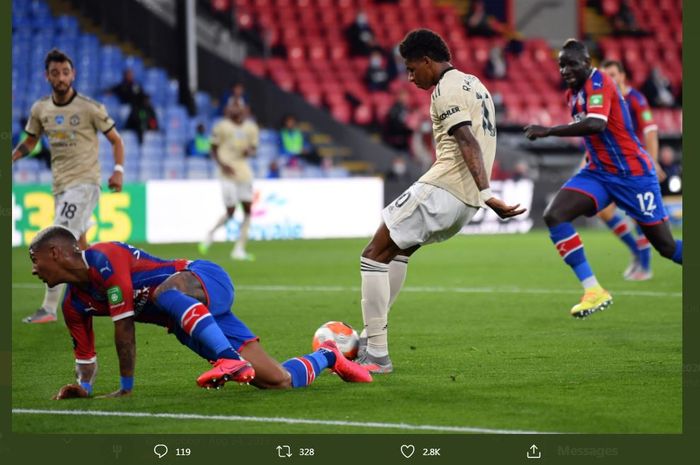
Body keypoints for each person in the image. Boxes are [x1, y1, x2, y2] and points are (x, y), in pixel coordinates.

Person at [27, 227, 371, 399]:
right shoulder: (73, 304)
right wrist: (84, 388)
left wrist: (126, 388)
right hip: (190, 320)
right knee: (276, 381)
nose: (33, 270)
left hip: (203, 279)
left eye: (35, 260)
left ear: (55, 253)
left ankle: (228, 358)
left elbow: (125, 328)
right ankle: (329, 357)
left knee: (164, 293)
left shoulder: (104, 257)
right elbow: (85, 357)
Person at [355, 29, 526, 373]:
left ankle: (375, 352)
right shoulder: (474, 83)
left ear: (427, 61)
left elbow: (467, 141)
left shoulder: (445, 89)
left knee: (373, 254)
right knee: (397, 253)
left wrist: (488, 192)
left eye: (411, 68)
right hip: (462, 204)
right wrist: (480, 196)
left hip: (444, 187)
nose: (409, 75)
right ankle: (368, 337)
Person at [523, 39, 682, 318]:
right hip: (599, 173)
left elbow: (597, 124)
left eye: (571, 64)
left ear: (588, 64)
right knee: (555, 215)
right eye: (561, 65)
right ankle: (593, 290)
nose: (565, 70)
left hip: (633, 175)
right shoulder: (572, 94)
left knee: (666, 247)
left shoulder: (600, 82)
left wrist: (548, 131)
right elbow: (592, 135)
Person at [11, 48, 124, 324]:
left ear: (72, 74)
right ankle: (112, 289)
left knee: (58, 239)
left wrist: (118, 170)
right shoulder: (40, 109)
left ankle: (48, 309)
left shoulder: (89, 107)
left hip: (85, 183)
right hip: (60, 185)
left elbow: (116, 140)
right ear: (47, 76)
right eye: (55, 73)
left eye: (65, 72)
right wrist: (12, 156)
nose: (60, 77)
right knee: (82, 249)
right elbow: (30, 141)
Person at [596, 59, 663, 280]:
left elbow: (650, 131)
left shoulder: (636, 99)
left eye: (613, 75)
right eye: (606, 76)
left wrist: (652, 163)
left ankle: (645, 265)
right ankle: (637, 251)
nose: (609, 80)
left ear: (623, 76)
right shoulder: (604, 101)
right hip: (612, 166)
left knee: (638, 214)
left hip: (635, 165)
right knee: (604, 211)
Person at [199, 102, 258, 260]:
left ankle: (239, 249)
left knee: (247, 210)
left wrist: (249, 151)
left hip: (244, 172)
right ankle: (210, 234)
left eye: (239, 107)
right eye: (233, 107)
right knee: (231, 211)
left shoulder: (251, 128)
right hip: (227, 173)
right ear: (228, 110)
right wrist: (222, 165)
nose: (236, 110)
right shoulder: (222, 126)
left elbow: (254, 148)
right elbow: (213, 147)